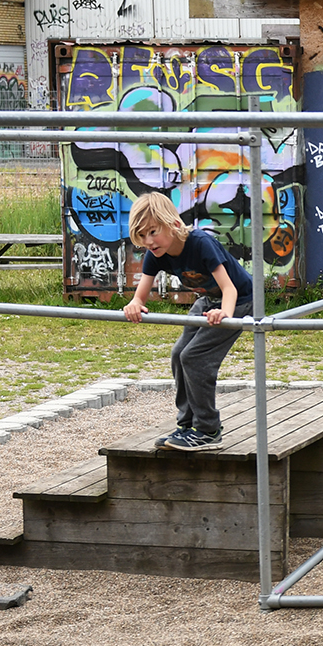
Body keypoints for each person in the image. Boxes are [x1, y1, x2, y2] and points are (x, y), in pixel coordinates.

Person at [123, 192, 253, 452]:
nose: (149, 241)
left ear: (172, 224)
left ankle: (208, 429)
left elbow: (230, 289)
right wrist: (135, 304)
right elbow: (140, 294)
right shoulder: (156, 252)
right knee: (178, 354)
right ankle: (186, 425)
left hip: (238, 301)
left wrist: (225, 315)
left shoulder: (201, 243)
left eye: (153, 232)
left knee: (195, 357)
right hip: (207, 302)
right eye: (142, 236)